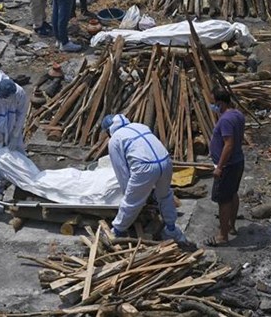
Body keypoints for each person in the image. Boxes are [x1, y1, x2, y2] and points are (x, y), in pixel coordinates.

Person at [101, 114, 186, 242]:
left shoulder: (115, 139)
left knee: (131, 203)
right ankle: (172, 229)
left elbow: (121, 171)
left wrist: (128, 193)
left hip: (145, 167)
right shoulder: (140, 126)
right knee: (165, 195)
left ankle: (117, 231)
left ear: (109, 130)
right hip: (165, 161)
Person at [206, 87, 245, 247]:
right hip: (237, 161)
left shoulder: (226, 120)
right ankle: (231, 226)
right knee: (232, 193)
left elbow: (228, 144)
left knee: (223, 200)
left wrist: (219, 167)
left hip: (228, 165)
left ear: (221, 103)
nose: (212, 105)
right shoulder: (237, 114)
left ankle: (223, 236)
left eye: (214, 102)